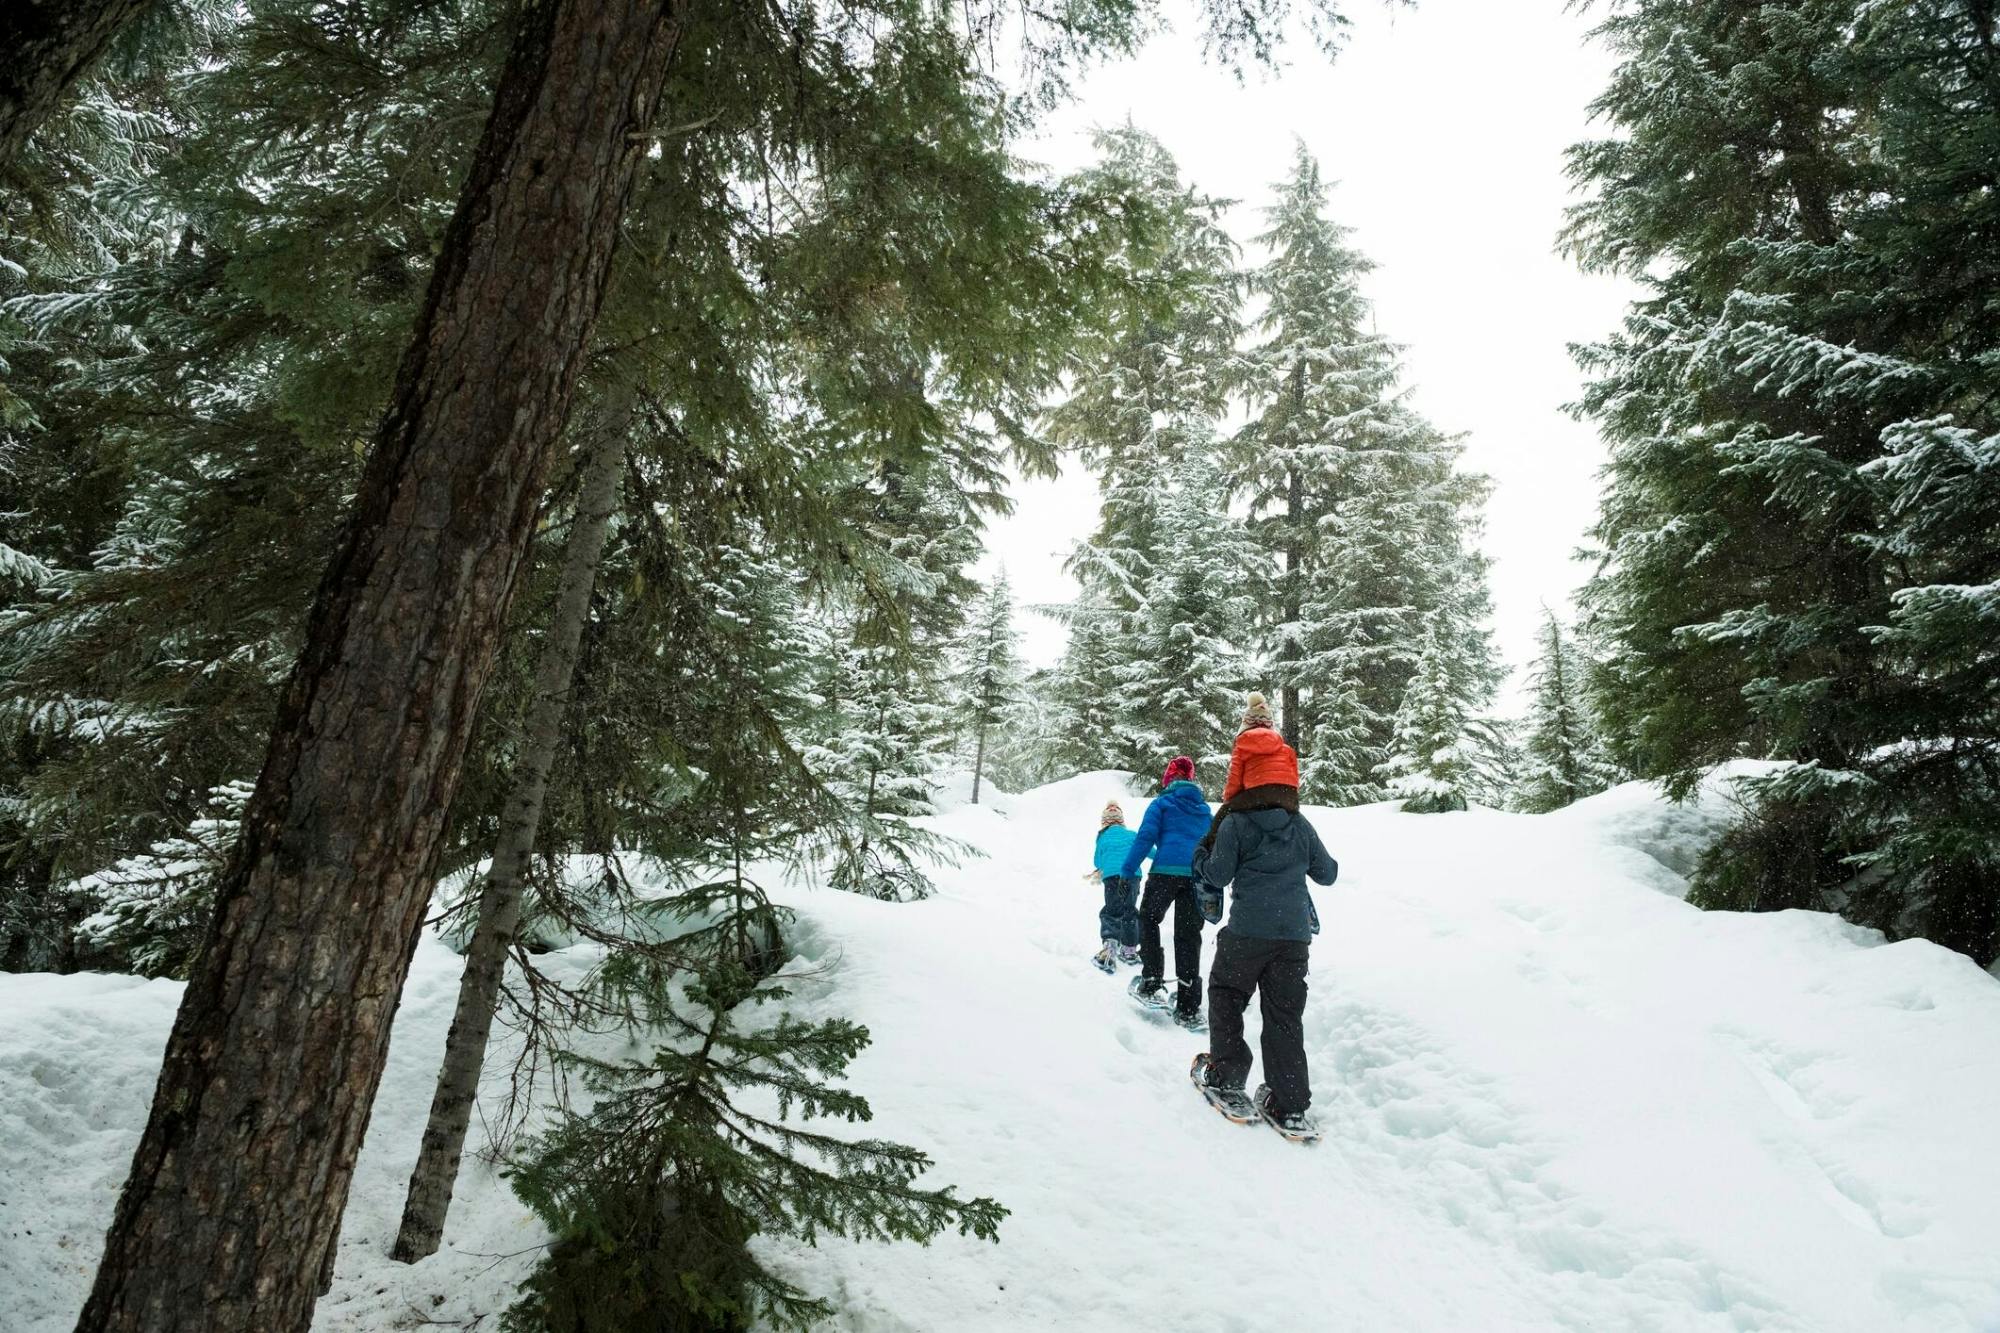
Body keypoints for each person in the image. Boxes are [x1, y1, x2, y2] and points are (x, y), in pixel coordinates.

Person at [1190, 780, 1337, 1138]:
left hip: (1248, 932)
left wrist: (1200, 856)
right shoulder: (1299, 823)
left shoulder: (1235, 822)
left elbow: (1218, 874)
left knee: (1226, 995)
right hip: (1293, 939)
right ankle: (1289, 1103)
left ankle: (1227, 1077)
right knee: (1284, 1016)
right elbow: (1328, 873)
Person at [1120, 755, 1213, 1026]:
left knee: (1148, 919)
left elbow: (1145, 837)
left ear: (1168, 780)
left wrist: (1128, 870)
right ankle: (1188, 1004)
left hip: (1164, 872)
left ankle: (1151, 980)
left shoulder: (1161, 804)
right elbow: (1213, 846)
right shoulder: (1205, 811)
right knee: (1188, 935)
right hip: (1195, 878)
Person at [1199, 692, 1301, 855]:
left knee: (1221, 818)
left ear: (1245, 725)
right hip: (1288, 795)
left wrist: (1228, 801)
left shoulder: (1242, 745)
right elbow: (1294, 777)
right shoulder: (1286, 748)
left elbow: (1235, 779)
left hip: (1257, 793)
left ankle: (1210, 851)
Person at [1089, 800, 1140, 970]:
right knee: (1130, 910)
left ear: (1104, 822)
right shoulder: (1131, 835)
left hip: (1111, 877)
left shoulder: (1102, 838)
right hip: (1132, 875)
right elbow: (1147, 850)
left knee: (1112, 910)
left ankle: (1110, 948)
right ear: (1121, 821)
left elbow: (1097, 861)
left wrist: (1104, 865)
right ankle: (1129, 950)